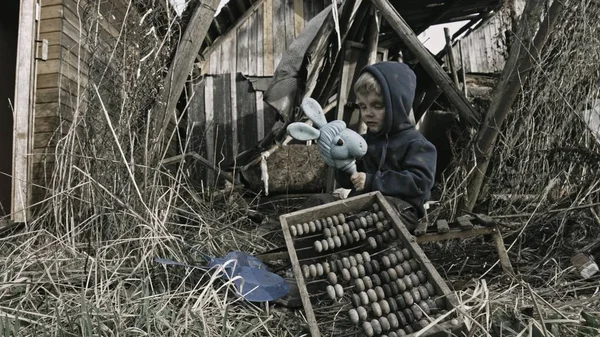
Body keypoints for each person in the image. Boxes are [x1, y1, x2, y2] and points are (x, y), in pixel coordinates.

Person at [333, 61, 437, 232]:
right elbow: (347, 181)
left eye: (377, 106)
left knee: (371, 218)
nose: (368, 113)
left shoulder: (418, 145)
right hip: (361, 207)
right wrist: (342, 162)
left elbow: (420, 183)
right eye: (363, 106)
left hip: (401, 211)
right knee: (318, 203)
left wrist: (373, 181)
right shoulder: (363, 143)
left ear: (398, 105)